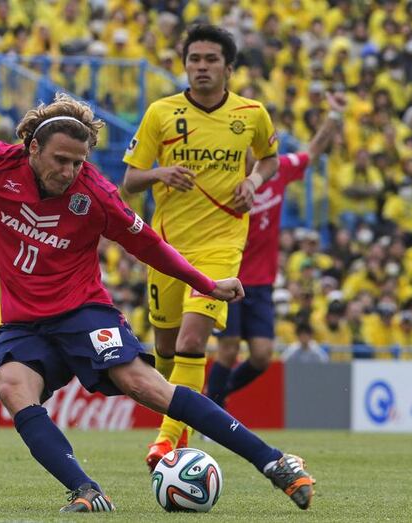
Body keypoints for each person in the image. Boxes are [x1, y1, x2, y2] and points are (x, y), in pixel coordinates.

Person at [0, 93, 313, 512]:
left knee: (145, 385)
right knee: (11, 386)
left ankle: (274, 462)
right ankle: (85, 490)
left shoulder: (97, 194)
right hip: (25, 325)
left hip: (83, 313)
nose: (68, 171)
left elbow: (150, 247)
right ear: (31, 149)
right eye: (60, 160)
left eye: (77, 162)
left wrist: (206, 283)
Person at [121, 24, 280, 469]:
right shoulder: (161, 113)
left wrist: (253, 179)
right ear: (185, 64)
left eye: (211, 60)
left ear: (228, 68)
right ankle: (180, 428)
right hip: (166, 247)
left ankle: (165, 444)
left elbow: (270, 159)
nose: (202, 67)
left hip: (222, 246)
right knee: (167, 354)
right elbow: (130, 181)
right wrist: (160, 174)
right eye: (195, 59)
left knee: (194, 342)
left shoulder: (251, 113)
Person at [206, 91, 347, 408]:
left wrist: (334, 116)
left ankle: (215, 399)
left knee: (261, 356)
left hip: (262, 281)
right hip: (229, 276)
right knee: (228, 351)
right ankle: (213, 410)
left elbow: (311, 152)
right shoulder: (222, 180)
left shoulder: (278, 170)